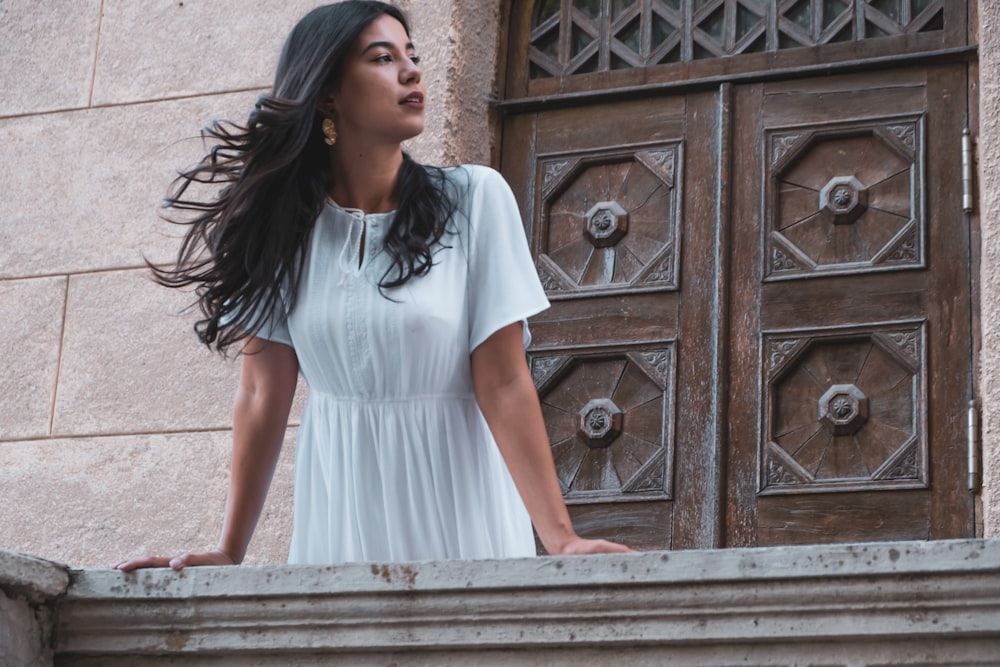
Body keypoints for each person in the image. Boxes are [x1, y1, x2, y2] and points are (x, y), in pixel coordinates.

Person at [115, 1, 630, 571]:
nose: (412, 71)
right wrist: (229, 549)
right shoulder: (285, 230)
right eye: (383, 58)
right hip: (340, 510)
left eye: (414, 56)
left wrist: (561, 539)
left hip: (457, 502)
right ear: (327, 91)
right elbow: (262, 394)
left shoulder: (473, 198)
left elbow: (504, 379)